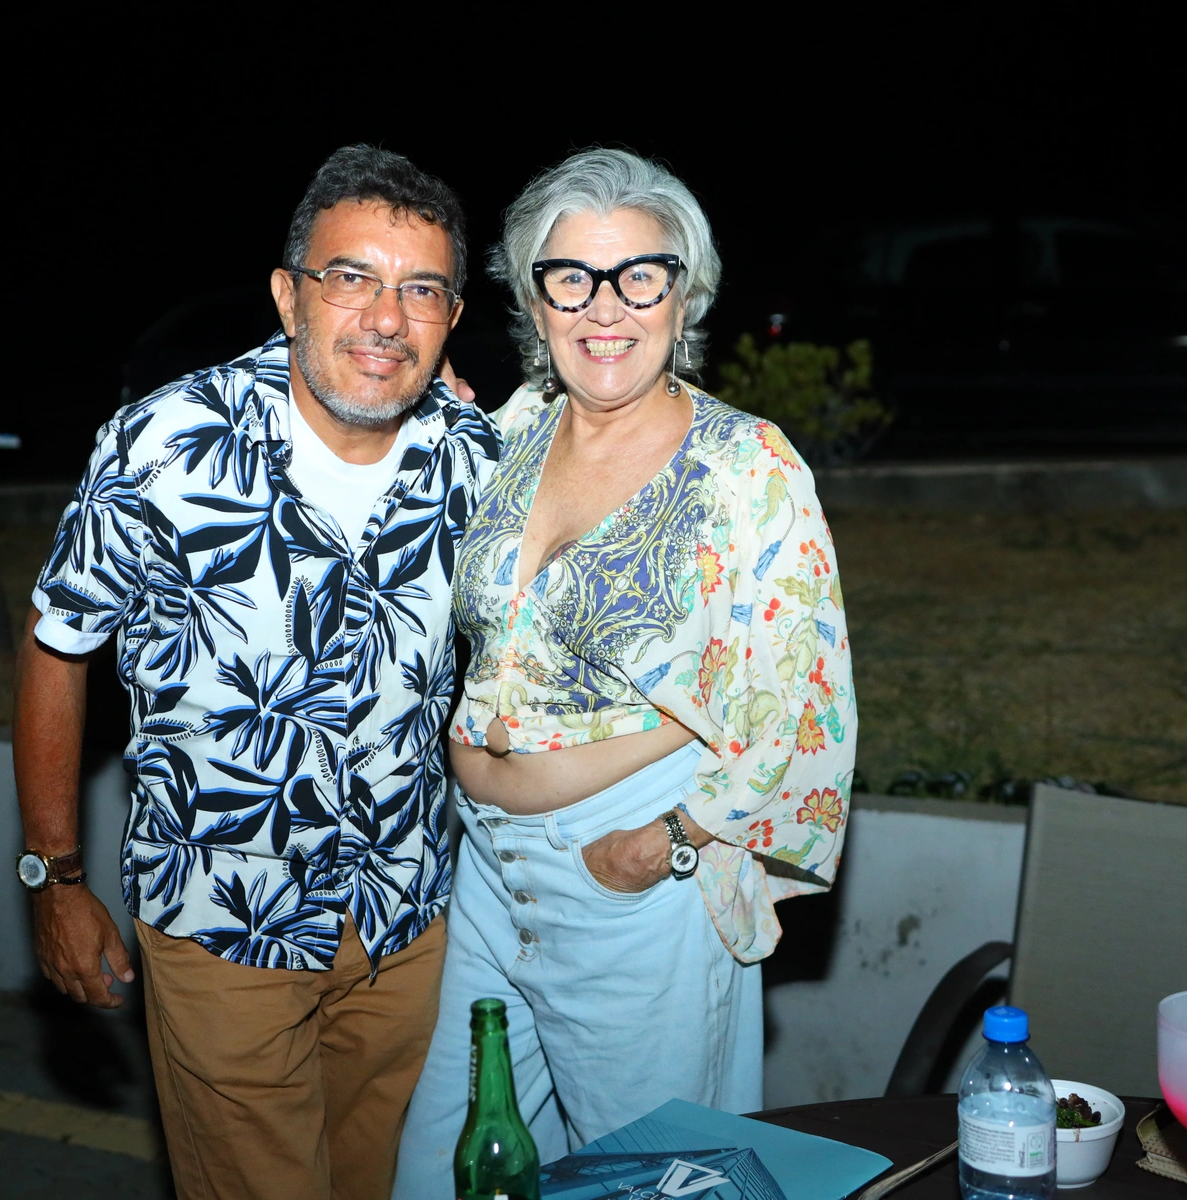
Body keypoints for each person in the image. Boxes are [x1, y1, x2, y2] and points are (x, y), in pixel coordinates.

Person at [14, 145, 499, 1200]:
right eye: (351, 277)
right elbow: (58, 646)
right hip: (224, 918)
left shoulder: (473, 457)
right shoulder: (166, 447)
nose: (386, 318)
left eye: (421, 290)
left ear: (452, 318)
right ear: (288, 295)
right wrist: (54, 877)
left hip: (405, 918)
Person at [393, 149, 858, 1196]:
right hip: (487, 871)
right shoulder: (512, 431)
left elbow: (802, 703)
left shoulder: (746, 466)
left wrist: (669, 842)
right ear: (534, 299)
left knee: (647, 1174)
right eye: (572, 278)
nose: (605, 308)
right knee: (445, 1167)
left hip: (630, 873)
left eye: (639, 276)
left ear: (683, 295)